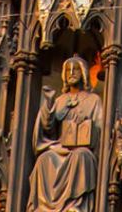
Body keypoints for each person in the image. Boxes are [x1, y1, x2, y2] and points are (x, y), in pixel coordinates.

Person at [29, 56, 103, 212]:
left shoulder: (94, 100)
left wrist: (86, 124)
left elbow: (101, 129)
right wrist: (48, 104)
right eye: (67, 70)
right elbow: (49, 129)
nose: (71, 73)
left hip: (82, 150)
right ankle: (44, 207)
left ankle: (76, 205)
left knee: (81, 156)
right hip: (60, 148)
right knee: (44, 159)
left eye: (75, 69)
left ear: (83, 72)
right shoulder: (60, 100)